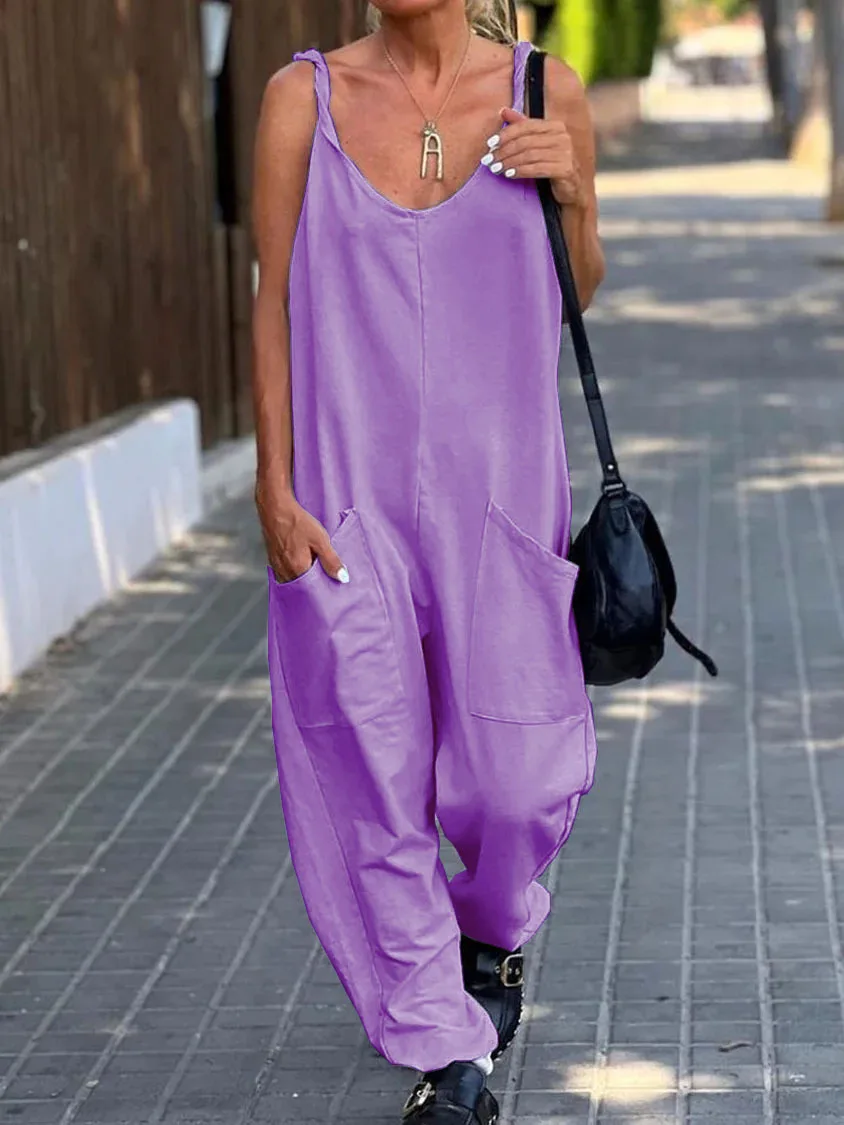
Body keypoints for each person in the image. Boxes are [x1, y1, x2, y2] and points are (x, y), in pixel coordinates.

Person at [251, 2, 604, 1121]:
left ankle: (489, 929)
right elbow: (271, 300)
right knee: (370, 775)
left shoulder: (543, 91)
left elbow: (578, 289)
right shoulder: (301, 99)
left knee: (517, 779)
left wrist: (574, 190)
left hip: (501, 498)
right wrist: (273, 487)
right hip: (345, 504)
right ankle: (443, 1052)